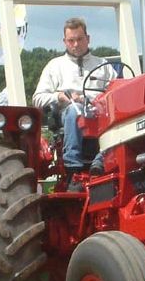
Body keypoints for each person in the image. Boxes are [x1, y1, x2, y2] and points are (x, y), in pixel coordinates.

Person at [32, 17, 117, 187]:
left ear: (88, 39)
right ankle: (73, 168)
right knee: (74, 109)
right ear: (64, 41)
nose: (76, 44)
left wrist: (97, 100)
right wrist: (59, 96)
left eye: (80, 39)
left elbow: (117, 91)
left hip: (99, 111)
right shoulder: (55, 66)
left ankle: (102, 161)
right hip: (69, 111)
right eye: (71, 40)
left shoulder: (103, 66)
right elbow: (38, 98)